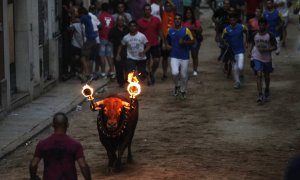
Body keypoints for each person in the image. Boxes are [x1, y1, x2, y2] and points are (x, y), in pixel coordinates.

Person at [29, 112, 91, 180]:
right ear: (67, 125)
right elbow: (83, 165)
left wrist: (33, 177)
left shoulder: (42, 144)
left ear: (52, 125)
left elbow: (33, 164)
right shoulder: (75, 144)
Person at [166, 14, 195, 99]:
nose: (177, 20)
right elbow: (166, 40)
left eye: (179, 19)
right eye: (176, 19)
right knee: (175, 72)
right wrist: (166, 45)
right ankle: (177, 85)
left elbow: (193, 41)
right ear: (174, 21)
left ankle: (183, 90)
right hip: (174, 56)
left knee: (183, 75)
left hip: (184, 56)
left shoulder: (186, 30)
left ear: (181, 20)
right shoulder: (170, 30)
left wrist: (185, 42)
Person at [250, 17, 277, 103]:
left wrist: (266, 50)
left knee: (267, 76)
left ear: (266, 25)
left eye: (263, 25)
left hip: (267, 59)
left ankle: (267, 88)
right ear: (258, 25)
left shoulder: (270, 35)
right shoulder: (254, 34)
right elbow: (253, 44)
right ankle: (260, 94)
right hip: (257, 57)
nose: (261, 26)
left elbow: (275, 47)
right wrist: (250, 53)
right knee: (259, 74)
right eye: (260, 25)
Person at [137, 3, 163, 86]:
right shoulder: (140, 21)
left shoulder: (156, 20)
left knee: (156, 60)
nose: (147, 11)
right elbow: (138, 34)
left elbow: (159, 31)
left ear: (151, 11)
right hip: (145, 44)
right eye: (146, 10)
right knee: (147, 62)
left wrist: (162, 40)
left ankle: (151, 73)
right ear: (143, 11)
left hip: (155, 43)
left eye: (148, 9)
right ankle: (149, 79)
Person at [222, 13, 248, 89]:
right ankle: (237, 82)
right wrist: (226, 43)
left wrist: (246, 42)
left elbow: (246, 31)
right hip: (232, 52)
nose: (232, 21)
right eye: (231, 20)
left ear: (236, 20)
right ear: (229, 21)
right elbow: (223, 38)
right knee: (234, 67)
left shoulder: (242, 27)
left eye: (234, 20)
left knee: (240, 67)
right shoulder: (226, 29)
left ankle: (241, 74)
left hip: (240, 51)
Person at [108, 15, 129, 88]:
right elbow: (109, 39)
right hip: (116, 49)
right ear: (117, 21)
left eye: (122, 20)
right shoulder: (113, 30)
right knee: (118, 66)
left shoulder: (127, 28)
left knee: (127, 66)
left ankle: (127, 80)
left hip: (127, 49)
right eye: (119, 20)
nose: (121, 22)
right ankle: (121, 82)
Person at [182, 7, 203, 76]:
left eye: (190, 13)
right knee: (185, 56)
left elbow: (200, 30)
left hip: (194, 40)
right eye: (187, 13)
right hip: (185, 40)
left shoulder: (196, 21)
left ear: (192, 14)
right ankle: (184, 70)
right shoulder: (182, 22)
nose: (188, 14)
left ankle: (195, 70)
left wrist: (193, 28)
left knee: (194, 55)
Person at [98, 2, 115, 78]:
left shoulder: (100, 16)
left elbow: (98, 26)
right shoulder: (111, 17)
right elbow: (113, 26)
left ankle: (103, 72)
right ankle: (112, 71)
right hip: (110, 38)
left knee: (102, 56)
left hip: (102, 37)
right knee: (109, 55)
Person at [160, 0, 176, 80]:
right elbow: (160, 7)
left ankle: (176, 72)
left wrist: (168, 0)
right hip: (165, 37)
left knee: (175, 56)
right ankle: (165, 73)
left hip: (173, 37)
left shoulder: (174, 14)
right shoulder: (163, 14)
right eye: (167, 6)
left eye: (169, 5)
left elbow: (174, 7)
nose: (168, 7)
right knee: (165, 57)